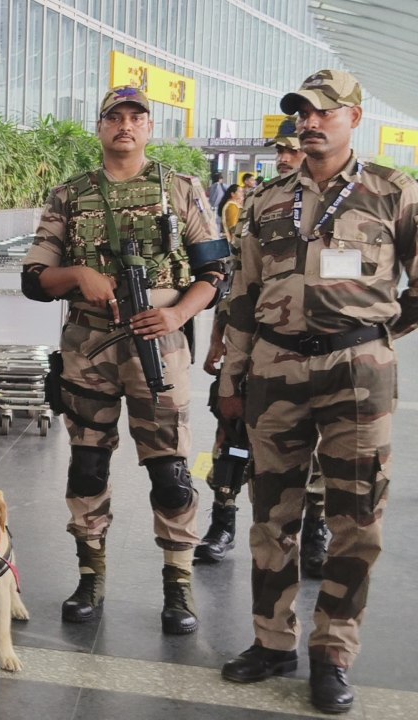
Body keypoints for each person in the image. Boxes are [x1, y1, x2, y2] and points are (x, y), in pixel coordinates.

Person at [217, 69, 418, 714]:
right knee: (271, 515)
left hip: (357, 374)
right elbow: (242, 296)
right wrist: (231, 378)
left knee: (356, 519)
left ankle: (333, 651)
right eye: (302, 112)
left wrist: (376, 331)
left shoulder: (394, 192)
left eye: (323, 112)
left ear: (354, 117)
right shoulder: (268, 200)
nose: (309, 121)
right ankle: (272, 640)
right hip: (275, 370)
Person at [20, 86, 230, 636]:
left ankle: (178, 584)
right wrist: (76, 276)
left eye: (137, 117)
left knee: (171, 474)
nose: (126, 126)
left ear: (149, 128)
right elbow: (33, 279)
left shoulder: (181, 190)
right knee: (87, 465)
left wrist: (179, 314)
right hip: (88, 349)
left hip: (159, 347)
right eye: (115, 117)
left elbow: (215, 273)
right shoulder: (70, 195)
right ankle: (90, 576)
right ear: (100, 127)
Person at [198, 127, 329, 571]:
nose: (285, 157)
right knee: (231, 435)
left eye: (292, 151)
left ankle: (315, 532)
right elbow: (240, 283)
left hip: (315, 352)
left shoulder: (333, 205)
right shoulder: (263, 203)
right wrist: (219, 340)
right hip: (253, 345)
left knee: (314, 449)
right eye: (280, 150)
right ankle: (222, 521)